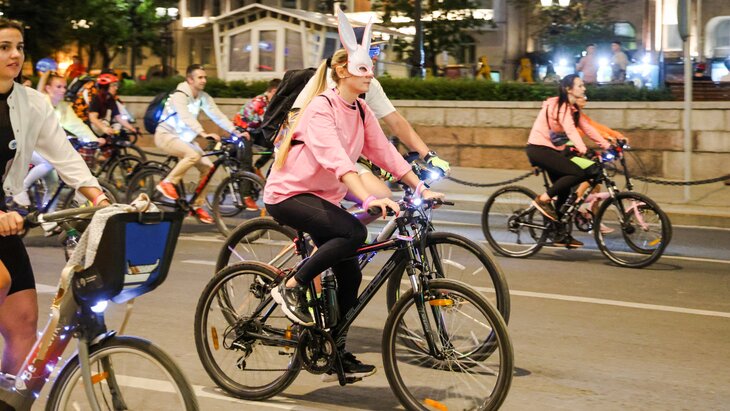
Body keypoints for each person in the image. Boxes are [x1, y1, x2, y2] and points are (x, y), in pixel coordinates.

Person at [266, 11, 444, 381]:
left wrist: (420, 187)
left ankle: (335, 350)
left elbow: (387, 154)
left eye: (371, 69)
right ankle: (292, 286)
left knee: (349, 276)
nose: (370, 75)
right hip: (290, 194)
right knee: (353, 232)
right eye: (363, 69)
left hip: (323, 197)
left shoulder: (360, 109)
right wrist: (367, 198)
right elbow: (338, 162)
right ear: (343, 71)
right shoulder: (321, 108)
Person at [0, 18, 109, 377]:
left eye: (19, 47)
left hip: (4, 215)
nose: (15, 55)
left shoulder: (31, 102)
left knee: (24, 323)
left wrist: (99, 198)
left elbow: (64, 155)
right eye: (4, 47)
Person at [292, 26, 450, 209]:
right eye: (372, 50)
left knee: (382, 196)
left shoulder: (368, 89)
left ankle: (345, 225)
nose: (376, 57)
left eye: (378, 51)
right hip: (312, 157)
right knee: (370, 200)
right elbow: (329, 144)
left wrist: (428, 156)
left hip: (344, 155)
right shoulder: (335, 82)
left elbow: (395, 124)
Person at [526, 74, 611, 248]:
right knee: (576, 173)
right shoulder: (560, 106)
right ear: (568, 89)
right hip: (539, 149)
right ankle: (542, 200)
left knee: (564, 191)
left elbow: (587, 128)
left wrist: (607, 145)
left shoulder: (573, 109)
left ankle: (559, 234)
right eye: (580, 85)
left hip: (552, 150)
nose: (584, 88)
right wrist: (583, 149)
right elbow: (570, 130)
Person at [154, 64, 243, 224]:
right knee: (193, 154)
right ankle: (168, 182)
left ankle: (196, 206)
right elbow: (186, 117)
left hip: (184, 139)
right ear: (190, 79)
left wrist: (235, 131)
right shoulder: (179, 95)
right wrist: (203, 133)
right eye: (200, 77)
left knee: (208, 168)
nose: (204, 80)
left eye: (205, 77)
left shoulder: (203, 97)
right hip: (166, 135)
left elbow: (217, 115)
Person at [13, 71, 101, 207]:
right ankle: (20, 188)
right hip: (25, 146)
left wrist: (94, 138)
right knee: (48, 162)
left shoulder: (63, 106)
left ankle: (47, 218)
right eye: (58, 87)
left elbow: (77, 125)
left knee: (53, 185)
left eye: (64, 87)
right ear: (48, 88)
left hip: (45, 149)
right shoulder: (39, 102)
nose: (63, 90)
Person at [87, 73, 136, 137]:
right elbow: (93, 118)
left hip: (105, 128)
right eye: (113, 85)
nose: (116, 88)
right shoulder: (96, 99)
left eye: (116, 85)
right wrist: (104, 128)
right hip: (94, 131)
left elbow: (118, 117)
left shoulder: (111, 100)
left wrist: (132, 128)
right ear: (106, 87)